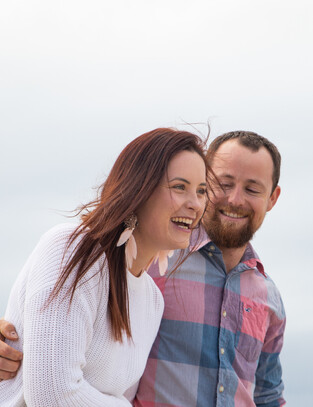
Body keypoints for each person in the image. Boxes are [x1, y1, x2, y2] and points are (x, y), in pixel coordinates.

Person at [0, 130, 286, 406]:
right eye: (222, 184)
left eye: (252, 189)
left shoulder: (152, 296)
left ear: (272, 198)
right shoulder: (85, 250)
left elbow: (268, 397)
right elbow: (51, 389)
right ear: (141, 187)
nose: (234, 199)